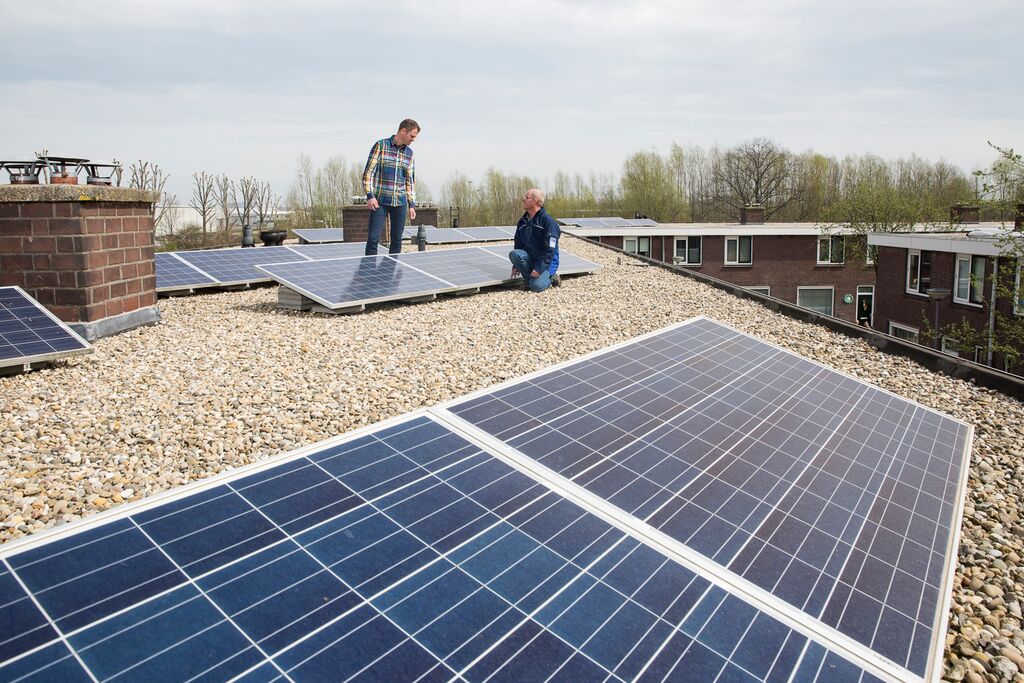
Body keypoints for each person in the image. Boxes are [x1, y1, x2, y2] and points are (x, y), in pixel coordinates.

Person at [363, 119, 419, 256]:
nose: (413, 140)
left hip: (400, 202)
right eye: (412, 136)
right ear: (403, 131)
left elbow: (410, 181)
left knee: (397, 241)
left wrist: (411, 204)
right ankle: (369, 274)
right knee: (373, 239)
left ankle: (389, 276)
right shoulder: (381, 146)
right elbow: (368, 173)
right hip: (380, 201)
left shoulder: (409, 153)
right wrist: (370, 196)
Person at [509, 188, 560, 292]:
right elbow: (518, 244)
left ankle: (552, 277)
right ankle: (529, 280)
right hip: (531, 259)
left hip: (546, 263)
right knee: (514, 254)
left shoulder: (547, 222)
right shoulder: (523, 222)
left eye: (527, 197)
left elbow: (550, 250)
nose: (524, 200)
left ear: (536, 201)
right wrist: (516, 265)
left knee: (536, 287)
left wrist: (539, 269)